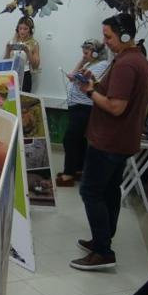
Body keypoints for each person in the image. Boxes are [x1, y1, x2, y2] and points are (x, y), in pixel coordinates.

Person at [71, 13, 148, 271]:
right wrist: (93, 83)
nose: (104, 41)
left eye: (108, 36)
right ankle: (102, 240)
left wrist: (89, 91)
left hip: (109, 141)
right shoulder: (134, 59)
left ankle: (103, 251)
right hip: (120, 141)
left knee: (90, 192)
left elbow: (116, 107)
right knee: (109, 190)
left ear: (125, 35)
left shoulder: (127, 65)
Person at [56, 39, 110, 187]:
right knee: (79, 141)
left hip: (84, 107)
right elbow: (73, 76)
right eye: (83, 52)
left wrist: (77, 76)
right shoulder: (90, 63)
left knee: (70, 140)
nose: (84, 54)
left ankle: (68, 174)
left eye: (87, 52)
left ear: (96, 53)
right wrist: (83, 60)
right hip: (77, 106)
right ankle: (79, 170)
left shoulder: (102, 64)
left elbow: (88, 82)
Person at [3, 16, 40, 92]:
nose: (22, 31)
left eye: (25, 29)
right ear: (17, 29)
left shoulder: (34, 44)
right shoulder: (11, 42)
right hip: (12, 74)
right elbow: (5, 63)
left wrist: (28, 52)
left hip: (26, 74)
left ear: (30, 30)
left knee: (24, 97)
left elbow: (35, 66)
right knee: (11, 97)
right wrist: (7, 50)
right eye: (20, 28)